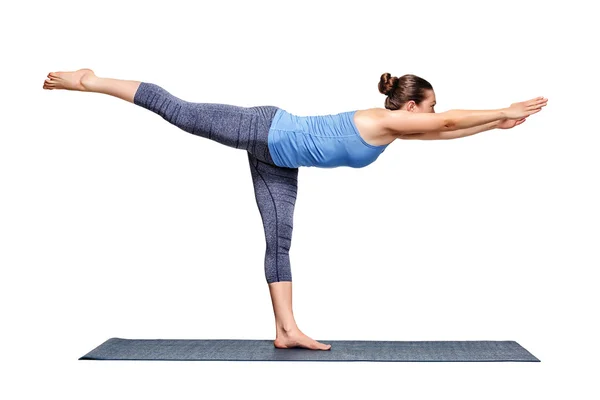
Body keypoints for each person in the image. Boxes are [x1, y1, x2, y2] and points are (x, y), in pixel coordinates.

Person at [42, 69, 548, 351]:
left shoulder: (398, 129)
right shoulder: (386, 119)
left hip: (278, 162)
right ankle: (90, 81)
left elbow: (449, 131)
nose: (436, 115)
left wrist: (492, 127)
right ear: (410, 106)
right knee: (181, 112)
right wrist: (502, 109)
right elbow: (445, 125)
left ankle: (286, 330)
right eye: (431, 106)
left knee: (279, 241)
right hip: (264, 129)